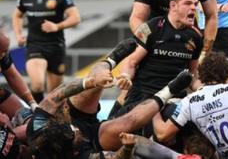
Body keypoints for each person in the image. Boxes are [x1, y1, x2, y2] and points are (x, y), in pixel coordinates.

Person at [25, 38, 194, 159]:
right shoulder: (82, 154)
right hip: (92, 140)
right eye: (73, 134)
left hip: (76, 116)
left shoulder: (38, 126)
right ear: (69, 149)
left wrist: (89, 82)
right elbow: (115, 157)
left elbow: (58, 94)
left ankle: (112, 58)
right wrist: (127, 148)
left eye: (71, 128)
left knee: (93, 85)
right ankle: (169, 90)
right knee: (126, 126)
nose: (76, 130)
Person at [111, 0, 203, 131]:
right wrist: (126, 76)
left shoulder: (196, 37)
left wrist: (203, 90)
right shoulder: (151, 27)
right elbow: (131, 61)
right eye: (188, 3)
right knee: (113, 132)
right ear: (173, 6)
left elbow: (192, 74)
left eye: (195, 4)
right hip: (143, 96)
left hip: (173, 99)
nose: (193, 8)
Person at [12, 0, 81, 103]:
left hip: (56, 46)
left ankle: (51, 119)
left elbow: (76, 18)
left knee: (54, 94)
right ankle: (36, 114)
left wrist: (57, 26)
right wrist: (18, 34)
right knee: (37, 85)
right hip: (35, 45)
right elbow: (17, 15)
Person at [0, 32, 37, 118]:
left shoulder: (3, 55)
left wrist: (32, 102)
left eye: (5, 51)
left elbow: (13, 76)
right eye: (2, 51)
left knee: (26, 117)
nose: (3, 55)